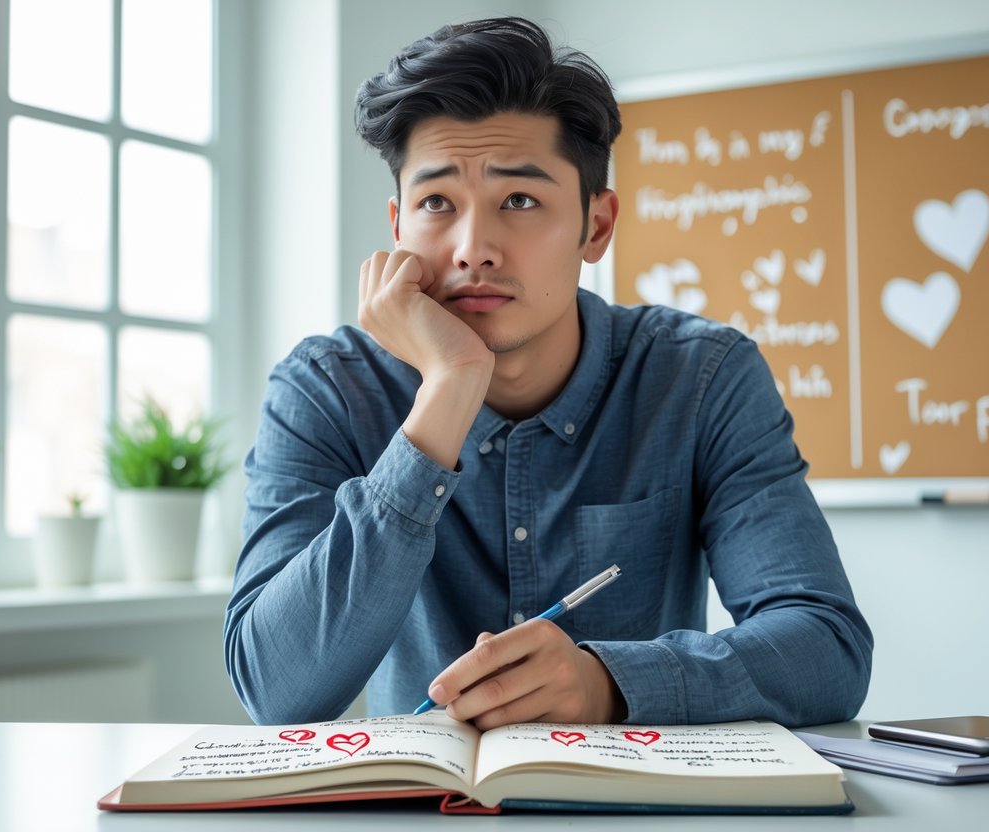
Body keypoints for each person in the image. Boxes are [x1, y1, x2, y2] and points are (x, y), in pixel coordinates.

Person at [225, 17, 872, 730]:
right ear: (398, 225)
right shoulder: (326, 387)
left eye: (520, 201)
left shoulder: (701, 377)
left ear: (596, 226)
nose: (474, 249)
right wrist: (446, 391)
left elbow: (826, 650)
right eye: (436, 203)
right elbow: (275, 689)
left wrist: (609, 683)